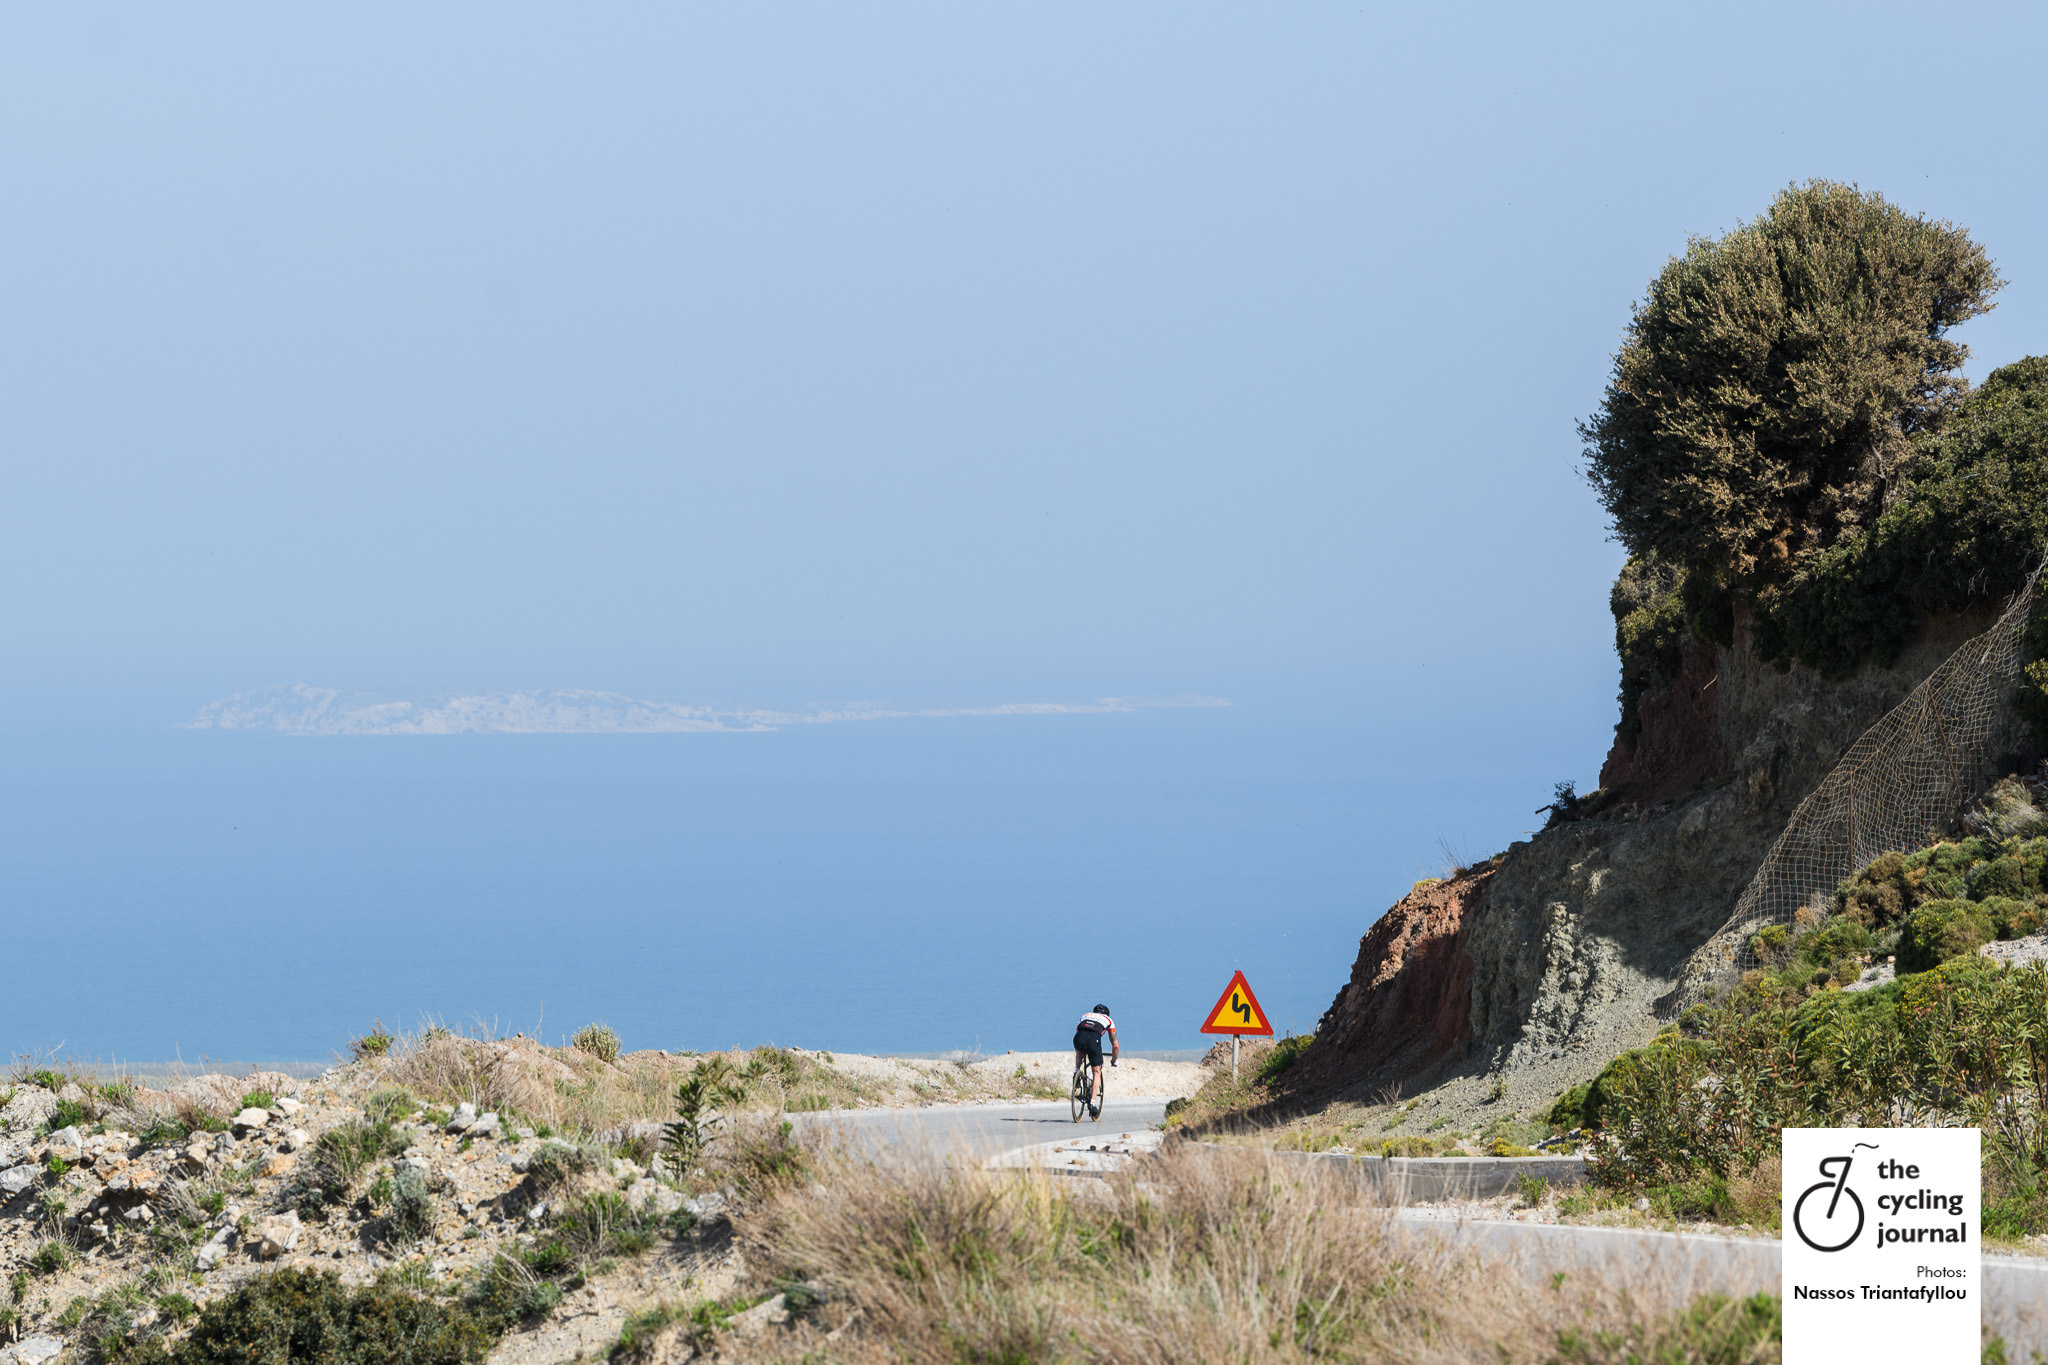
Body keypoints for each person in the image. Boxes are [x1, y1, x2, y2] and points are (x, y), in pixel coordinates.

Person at [1072, 1003, 1118, 1120]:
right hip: (1093, 1040)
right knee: (1097, 1071)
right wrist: (1114, 1060)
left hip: (1079, 1038)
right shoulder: (1108, 1020)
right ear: (1106, 1014)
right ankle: (1092, 1102)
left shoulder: (1085, 1015)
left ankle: (1077, 1072)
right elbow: (1115, 1045)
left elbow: (1078, 1030)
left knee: (1080, 1052)